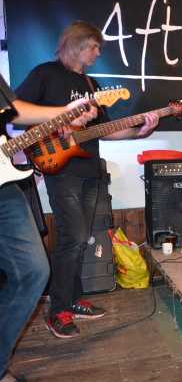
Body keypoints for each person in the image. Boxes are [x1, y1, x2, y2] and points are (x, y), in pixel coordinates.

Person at [14, 21, 160, 338]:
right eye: (94, 47)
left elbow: (107, 130)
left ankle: (74, 299)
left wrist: (141, 130)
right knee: (74, 237)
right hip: (61, 169)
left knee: (82, 239)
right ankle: (58, 311)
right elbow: (15, 114)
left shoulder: (91, 85)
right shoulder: (45, 74)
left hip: (91, 169)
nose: (98, 53)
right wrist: (60, 122)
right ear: (76, 45)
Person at [0, 75, 97, 382]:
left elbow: (12, 110)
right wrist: (65, 111)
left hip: (4, 186)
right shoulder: (46, 71)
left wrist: (65, 114)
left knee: (33, 271)